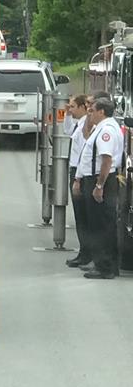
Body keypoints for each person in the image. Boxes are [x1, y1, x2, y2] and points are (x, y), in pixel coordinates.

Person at [73, 96, 124, 279]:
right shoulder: (100, 128)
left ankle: (105, 267)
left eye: (92, 110)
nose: (90, 113)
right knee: (98, 223)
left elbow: (106, 159)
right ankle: (103, 263)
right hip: (94, 179)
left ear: (102, 111)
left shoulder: (106, 131)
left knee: (102, 224)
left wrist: (99, 185)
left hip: (102, 180)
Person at [64, 94, 92, 268]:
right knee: (79, 216)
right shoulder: (79, 124)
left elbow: (84, 154)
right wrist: (67, 114)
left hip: (78, 171)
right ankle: (84, 251)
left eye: (73, 107)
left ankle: (86, 253)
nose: (71, 109)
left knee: (83, 217)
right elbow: (67, 131)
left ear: (82, 107)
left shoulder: (86, 126)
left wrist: (77, 179)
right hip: (75, 169)